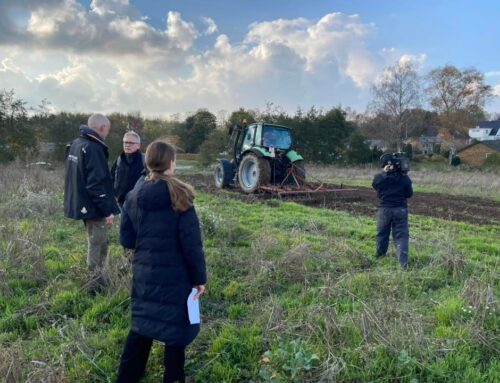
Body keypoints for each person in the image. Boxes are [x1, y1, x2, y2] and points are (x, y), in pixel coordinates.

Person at [117, 140, 207, 383]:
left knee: (143, 324)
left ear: (148, 162)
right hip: (177, 277)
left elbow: (126, 239)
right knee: (175, 331)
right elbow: (192, 246)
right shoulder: (181, 196)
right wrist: (199, 279)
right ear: (171, 163)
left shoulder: (133, 195)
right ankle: (174, 378)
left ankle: (127, 377)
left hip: (145, 273)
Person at [64, 113, 120, 293]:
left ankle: (99, 278)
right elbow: (96, 183)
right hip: (94, 207)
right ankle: (94, 285)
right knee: (97, 244)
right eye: (108, 130)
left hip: (82, 203)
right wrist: (107, 210)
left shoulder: (76, 143)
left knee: (98, 242)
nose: (107, 134)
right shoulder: (94, 148)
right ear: (102, 127)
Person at [372, 154, 413, 268]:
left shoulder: (380, 178)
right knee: (401, 236)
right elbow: (409, 194)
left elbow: (375, 185)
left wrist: (384, 174)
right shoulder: (404, 178)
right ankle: (403, 263)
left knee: (382, 234)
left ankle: (380, 256)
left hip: (384, 209)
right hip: (400, 209)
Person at [110, 131, 146, 207]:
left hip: (139, 203)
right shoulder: (120, 159)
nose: (127, 145)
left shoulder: (145, 160)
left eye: (131, 143)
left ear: (138, 146)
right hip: (121, 203)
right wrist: (114, 194)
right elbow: (111, 177)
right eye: (125, 142)